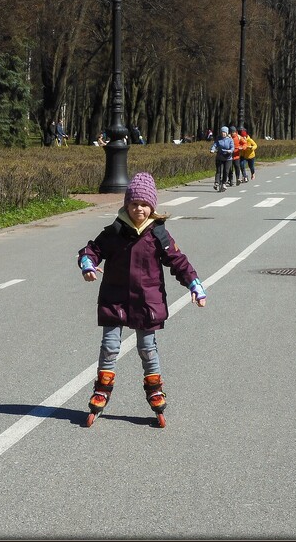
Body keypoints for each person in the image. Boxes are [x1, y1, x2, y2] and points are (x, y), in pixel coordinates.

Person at [77, 172, 207, 427]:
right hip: (115, 297)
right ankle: (102, 388)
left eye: (145, 204)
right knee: (110, 346)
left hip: (147, 300)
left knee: (147, 348)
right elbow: (92, 250)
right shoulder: (114, 232)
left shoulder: (158, 235)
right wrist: (87, 264)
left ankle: (155, 388)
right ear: (127, 204)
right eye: (134, 203)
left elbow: (178, 262)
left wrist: (195, 285)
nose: (139, 209)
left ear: (152, 207)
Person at [210, 126, 234, 192]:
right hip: (220, 157)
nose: (223, 133)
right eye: (222, 132)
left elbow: (232, 147)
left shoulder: (230, 139)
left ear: (227, 133)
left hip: (228, 158)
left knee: (226, 171)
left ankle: (224, 183)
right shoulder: (218, 139)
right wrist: (212, 150)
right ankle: (216, 182)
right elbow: (215, 145)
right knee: (218, 171)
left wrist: (230, 150)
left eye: (224, 132)